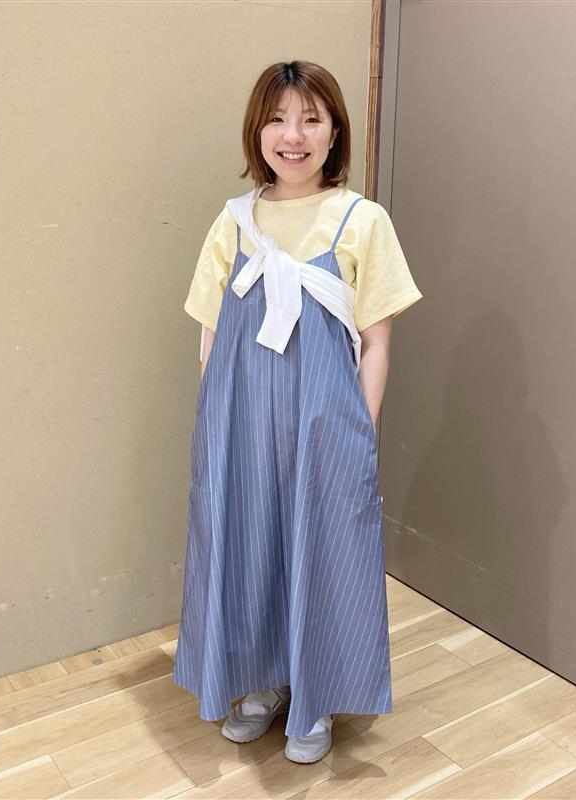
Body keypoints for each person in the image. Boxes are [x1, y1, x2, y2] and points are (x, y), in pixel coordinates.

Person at [173, 60, 423, 764]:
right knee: (247, 546)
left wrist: (358, 432)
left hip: (325, 426)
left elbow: (376, 341)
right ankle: (260, 682)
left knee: (324, 553)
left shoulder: (362, 220)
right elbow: (211, 333)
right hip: (240, 426)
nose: (294, 135)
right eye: (278, 119)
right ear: (257, 132)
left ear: (334, 132)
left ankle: (315, 699)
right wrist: (218, 426)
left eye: (312, 119)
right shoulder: (233, 222)